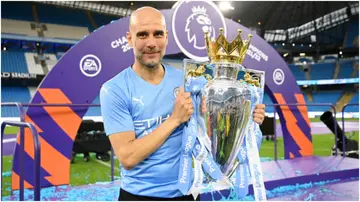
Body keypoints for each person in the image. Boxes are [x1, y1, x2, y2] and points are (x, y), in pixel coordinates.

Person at [99, 6, 266, 201]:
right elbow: (128, 157)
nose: (151, 43)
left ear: (166, 37)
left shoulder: (189, 82)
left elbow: (209, 140)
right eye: (143, 35)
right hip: (139, 196)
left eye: (158, 34)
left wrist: (242, 119)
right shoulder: (114, 89)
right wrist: (174, 120)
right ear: (130, 39)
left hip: (186, 193)